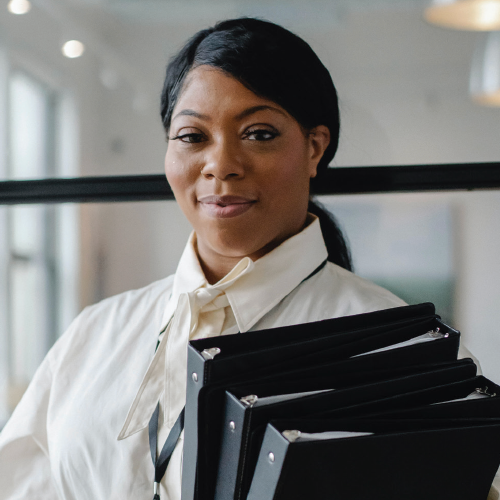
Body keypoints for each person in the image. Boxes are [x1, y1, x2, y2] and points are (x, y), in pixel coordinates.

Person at [1, 16, 473, 500]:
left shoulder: (401, 353)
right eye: (192, 136)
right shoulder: (94, 336)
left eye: (259, 133)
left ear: (315, 147)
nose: (222, 164)